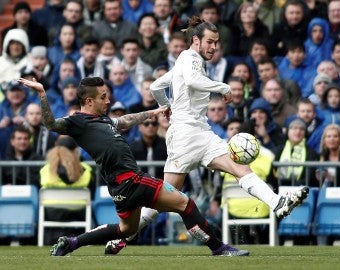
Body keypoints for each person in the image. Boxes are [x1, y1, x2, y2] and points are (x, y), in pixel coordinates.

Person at [105, 16, 309, 254]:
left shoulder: (188, 61)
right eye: (210, 42)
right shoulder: (189, 58)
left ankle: (277, 203)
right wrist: (221, 87)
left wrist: (167, 106)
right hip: (185, 134)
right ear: (195, 41)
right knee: (163, 197)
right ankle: (120, 236)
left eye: (216, 43)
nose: (214, 47)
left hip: (199, 132)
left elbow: (156, 87)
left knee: (237, 167)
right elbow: (190, 80)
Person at [19, 76, 249, 257]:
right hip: (131, 179)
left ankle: (72, 242)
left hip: (121, 188)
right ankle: (219, 248)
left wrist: (153, 112)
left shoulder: (104, 121)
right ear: (89, 101)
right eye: (103, 96)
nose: (108, 101)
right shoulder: (77, 121)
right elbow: (50, 124)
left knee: (126, 231)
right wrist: (42, 94)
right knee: (185, 203)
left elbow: (126, 121)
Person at [39, 135, 95, 245]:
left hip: (52, 212)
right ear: (76, 151)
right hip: (78, 211)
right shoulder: (87, 170)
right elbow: (92, 192)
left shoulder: (45, 170)